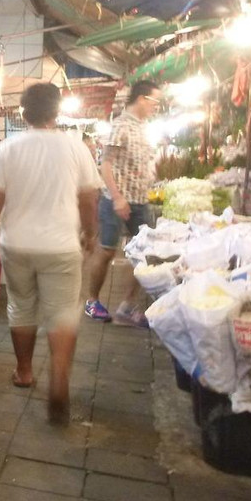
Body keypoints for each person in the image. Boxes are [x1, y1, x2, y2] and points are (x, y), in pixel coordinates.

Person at [0, 83, 101, 425]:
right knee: (62, 312)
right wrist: (90, 233)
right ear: (56, 112)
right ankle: (59, 378)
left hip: (16, 243)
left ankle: (24, 371)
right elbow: (88, 199)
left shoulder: (8, 148)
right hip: (61, 244)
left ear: (23, 112)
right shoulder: (76, 147)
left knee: (21, 305)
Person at [83, 80, 161, 327]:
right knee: (107, 250)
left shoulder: (144, 127)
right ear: (141, 99)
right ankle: (92, 301)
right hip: (115, 200)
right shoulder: (121, 125)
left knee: (144, 253)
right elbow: (106, 164)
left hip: (140, 201)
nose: (156, 107)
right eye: (154, 101)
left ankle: (127, 305)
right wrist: (117, 197)